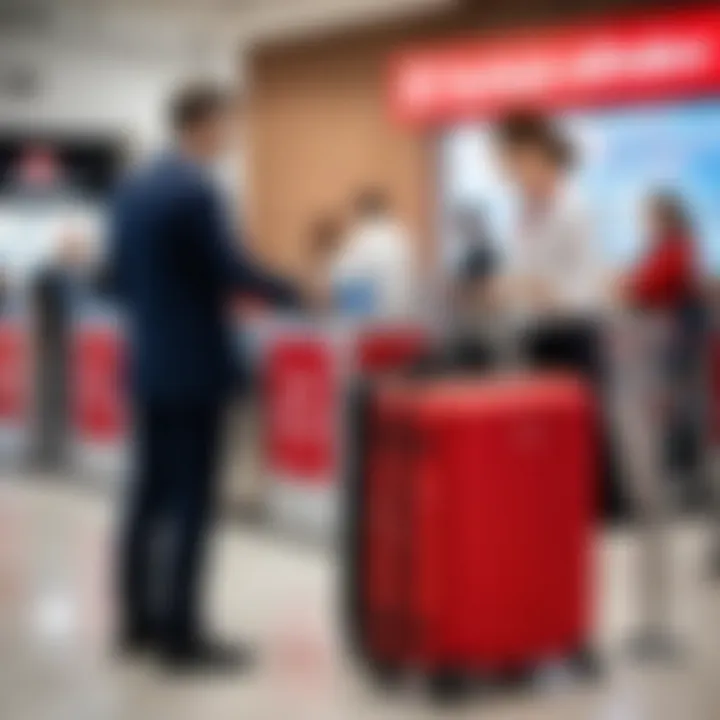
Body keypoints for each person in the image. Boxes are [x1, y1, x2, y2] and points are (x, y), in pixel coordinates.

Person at [103, 82, 300, 672]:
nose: (232, 137)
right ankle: (181, 639)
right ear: (204, 124)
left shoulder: (132, 188)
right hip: (193, 370)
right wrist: (293, 291)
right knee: (191, 503)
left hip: (146, 364)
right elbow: (231, 268)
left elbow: (113, 280)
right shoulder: (197, 189)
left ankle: (137, 624)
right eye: (229, 126)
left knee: (144, 497)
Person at [332, 189, 415, 319]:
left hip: (371, 316)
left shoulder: (363, 235)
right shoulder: (400, 233)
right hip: (403, 312)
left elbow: (340, 274)